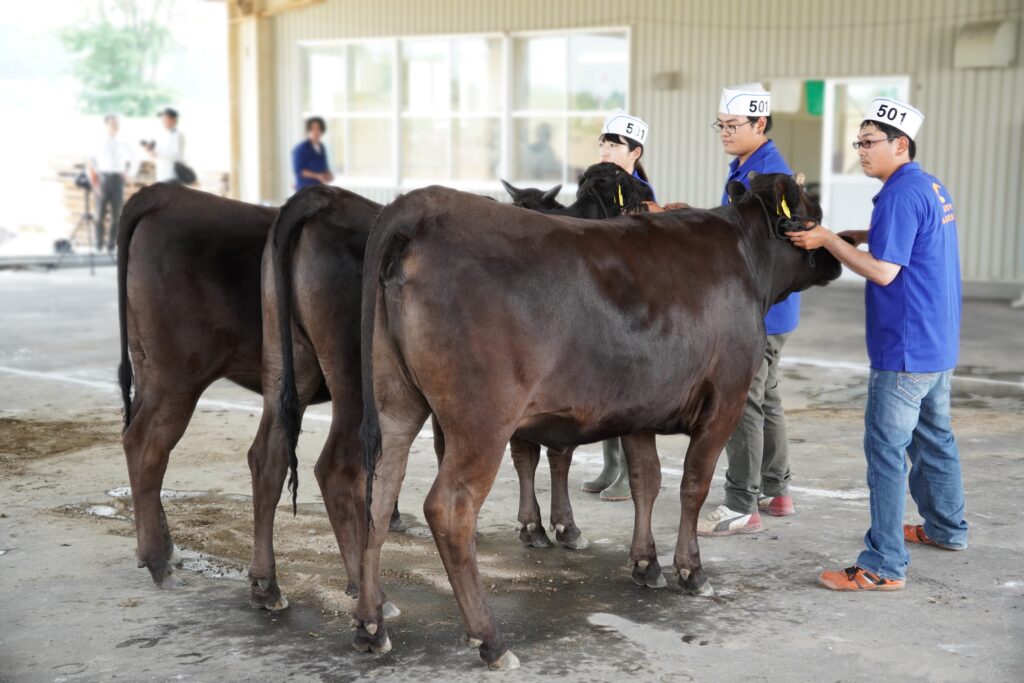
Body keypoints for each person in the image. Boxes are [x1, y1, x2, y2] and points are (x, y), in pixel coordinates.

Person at [788, 97, 967, 591]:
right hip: (937, 342)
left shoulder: (898, 195)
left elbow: (884, 271)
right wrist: (863, 234)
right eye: (858, 143)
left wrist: (828, 241)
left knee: (887, 451)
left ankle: (883, 564)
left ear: (899, 144)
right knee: (935, 439)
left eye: (869, 143)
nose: (861, 152)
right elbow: (914, 239)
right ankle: (947, 529)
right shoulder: (929, 186)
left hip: (904, 349)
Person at [692, 84, 799, 536]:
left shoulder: (771, 179)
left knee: (743, 401)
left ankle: (741, 504)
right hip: (767, 307)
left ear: (760, 124)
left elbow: (770, 247)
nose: (724, 132)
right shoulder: (746, 166)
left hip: (762, 308)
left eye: (733, 125)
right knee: (767, 395)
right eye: (721, 124)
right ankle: (777, 490)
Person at [581, 111, 655, 502]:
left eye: (615, 146)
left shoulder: (640, 193)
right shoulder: (599, 186)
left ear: (635, 152)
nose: (606, 151)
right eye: (603, 144)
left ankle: (631, 471)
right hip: (604, 296)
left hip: (632, 302)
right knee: (606, 387)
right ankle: (611, 463)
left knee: (629, 390)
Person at [88, 114, 135, 252]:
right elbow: (91, 161)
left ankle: (111, 244)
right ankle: (98, 242)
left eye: (117, 124)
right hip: (103, 178)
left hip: (117, 179)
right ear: (106, 125)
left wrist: (128, 173)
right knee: (99, 213)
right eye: (112, 123)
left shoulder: (123, 142)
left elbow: (134, 158)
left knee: (117, 215)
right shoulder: (98, 141)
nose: (115, 126)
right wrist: (95, 181)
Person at [292, 116, 334, 189]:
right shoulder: (301, 148)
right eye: (313, 129)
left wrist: (328, 174)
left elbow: (324, 167)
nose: (316, 131)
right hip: (305, 189)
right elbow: (299, 171)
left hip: (318, 188)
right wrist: (317, 176)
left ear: (322, 130)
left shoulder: (321, 147)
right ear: (308, 130)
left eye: (318, 129)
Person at [148, 107, 185, 183]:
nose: (163, 121)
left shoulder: (177, 135)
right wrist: (152, 152)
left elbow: (176, 154)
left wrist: (157, 153)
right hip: (163, 176)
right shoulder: (165, 134)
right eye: (162, 119)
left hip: (172, 176)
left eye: (165, 119)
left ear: (174, 120)